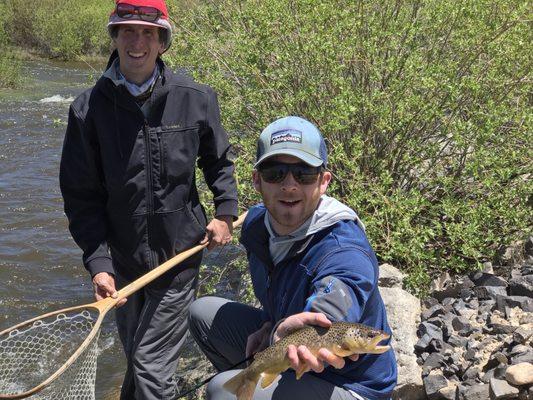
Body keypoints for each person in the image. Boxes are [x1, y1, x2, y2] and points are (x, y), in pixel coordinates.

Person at [59, 0, 238, 398]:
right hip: (122, 265)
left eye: (147, 33)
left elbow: (219, 161)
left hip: (180, 257)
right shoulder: (87, 109)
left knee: (151, 368)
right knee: (137, 359)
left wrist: (225, 212)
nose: (136, 41)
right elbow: (80, 196)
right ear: (115, 37)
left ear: (162, 42)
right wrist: (99, 263)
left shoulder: (196, 97)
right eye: (127, 31)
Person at [189, 116, 397, 400]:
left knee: (219, 391)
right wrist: (270, 325)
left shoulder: (345, 249)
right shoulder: (255, 227)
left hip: (350, 384)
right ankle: (248, 385)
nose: (289, 185)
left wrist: (316, 322)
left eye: (304, 173)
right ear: (257, 180)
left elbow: (339, 296)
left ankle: (237, 390)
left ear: (323, 182)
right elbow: (279, 293)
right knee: (202, 313)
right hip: (289, 346)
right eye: (275, 173)